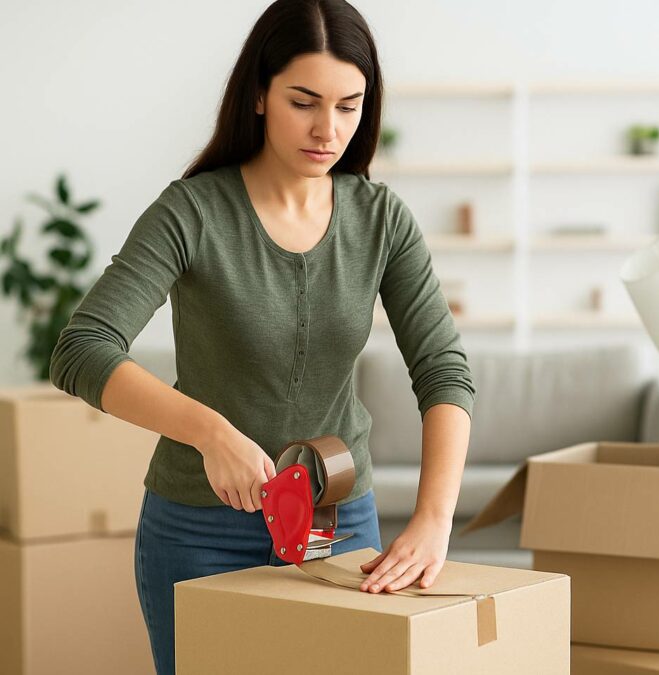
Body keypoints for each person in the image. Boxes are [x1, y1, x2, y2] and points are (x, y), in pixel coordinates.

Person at [49, 1, 475, 672]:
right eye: (303, 101)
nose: (326, 129)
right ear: (258, 94)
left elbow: (444, 369)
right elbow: (83, 348)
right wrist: (210, 432)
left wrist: (433, 517)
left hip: (339, 527)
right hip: (197, 532)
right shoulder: (191, 212)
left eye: (348, 105)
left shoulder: (381, 219)